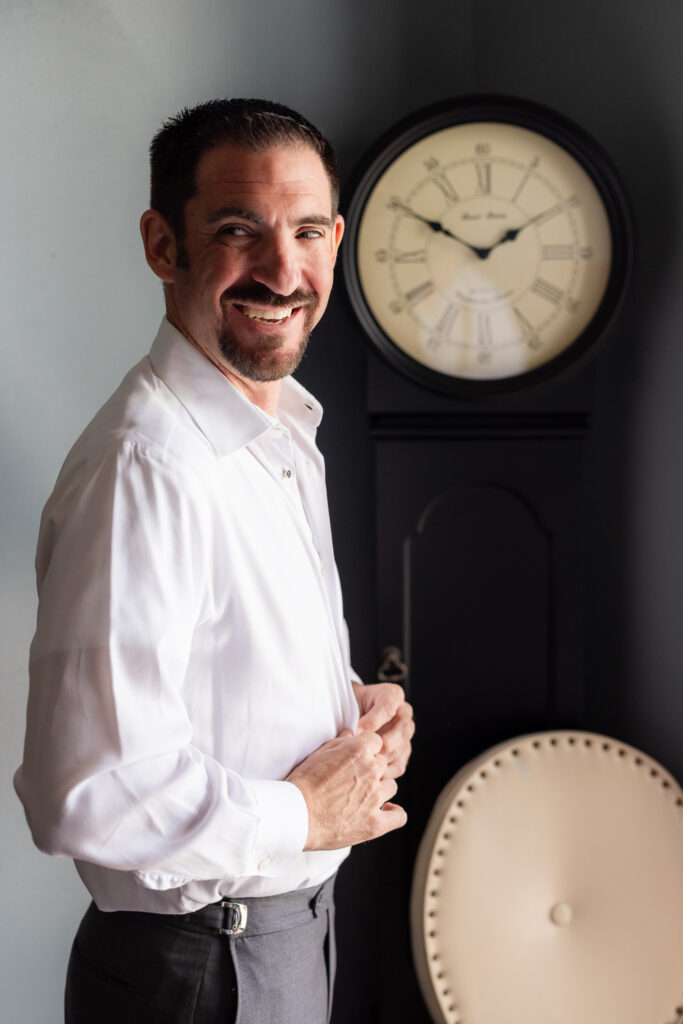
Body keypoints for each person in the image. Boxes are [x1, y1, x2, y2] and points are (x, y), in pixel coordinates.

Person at [14, 98, 414, 1024]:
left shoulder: (278, 425)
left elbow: (212, 663)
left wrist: (341, 709)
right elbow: (86, 789)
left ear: (336, 238)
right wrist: (302, 815)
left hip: (282, 936)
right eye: (240, 230)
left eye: (307, 231)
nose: (284, 270)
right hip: (207, 967)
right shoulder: (147, 463)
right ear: (164, 246)